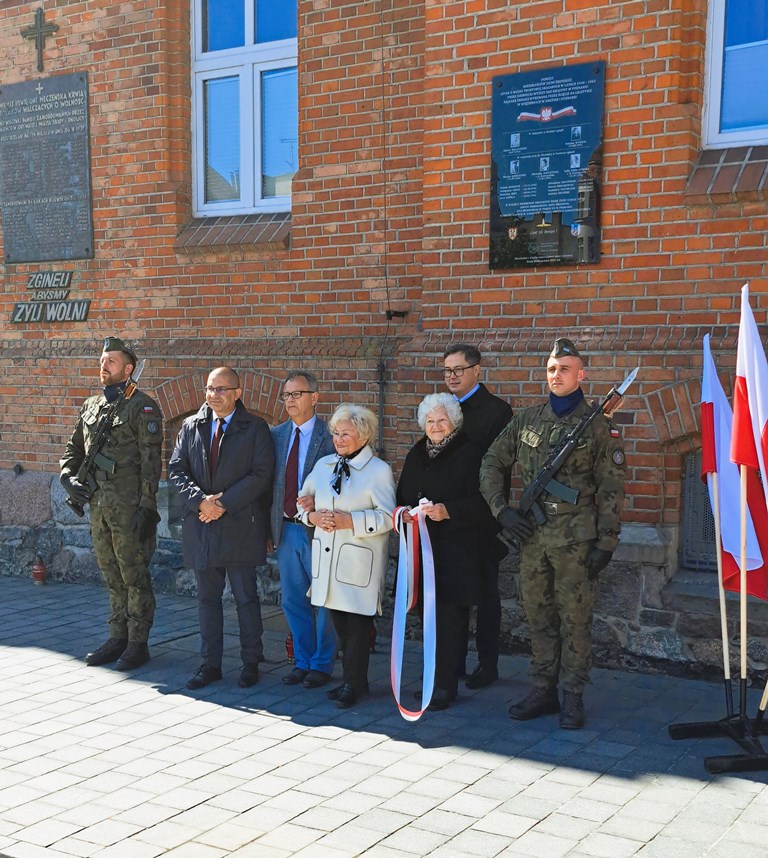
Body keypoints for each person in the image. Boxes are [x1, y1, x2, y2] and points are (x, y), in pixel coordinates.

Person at [479, 338, 626, 729]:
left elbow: (611, 490)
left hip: (576, 542)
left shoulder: (598, 428)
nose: (556, 375)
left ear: (582, 374)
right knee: (538, 616)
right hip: (531, 539)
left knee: (575, 619)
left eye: (564, 369)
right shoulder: (527, 420)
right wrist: (502, 511)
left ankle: (572, 696)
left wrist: (607, 542)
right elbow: (492, 462)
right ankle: (543, 689)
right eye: (551, 369)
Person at [168, 367, 275, 690]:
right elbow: (176, 469)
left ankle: (250, 662)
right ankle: (209, 663)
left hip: (240, 525)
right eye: (210, 389)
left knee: (245, 598)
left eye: (222, 389)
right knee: (207, 600)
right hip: (202, 526)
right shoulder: (191, 426)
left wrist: (223, 504)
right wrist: (201, 502)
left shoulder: (255, 428)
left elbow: (261, 475)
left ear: (238, 393)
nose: (214, 395)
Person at [60, 336, 163, 671]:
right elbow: (74, 450)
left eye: (112, 361)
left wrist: (148, 507)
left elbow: (151, 462)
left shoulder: (142, 406)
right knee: (110, 574)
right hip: (98, 507)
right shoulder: (92, 406)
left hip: (129, 507)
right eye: (102, 360)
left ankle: (138, 643)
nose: (104, 365)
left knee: (134, 575)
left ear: (128, 369)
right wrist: (67, 478)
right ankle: (117, 636)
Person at [396, 393, 495, 711]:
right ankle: (432, 679)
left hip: (456, 552)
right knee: (429, 618)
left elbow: (484, 502)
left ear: (453, 422)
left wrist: (447, 510)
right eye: (430, 421)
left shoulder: (471, 453)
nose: (435, 426)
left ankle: (445, 685)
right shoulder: (416, 453)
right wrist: (407, 513)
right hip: (423, 551)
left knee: (451, 619)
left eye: (441, 420)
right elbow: (403, 494)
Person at [296, 405, 395, 709]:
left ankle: (352, 683)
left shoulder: (378, 470)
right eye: (336, 433)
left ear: (363, 435)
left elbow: (389, 517)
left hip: (359, 564)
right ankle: (354, 680)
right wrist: (311, 516)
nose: (338, 439)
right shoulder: (324, 465)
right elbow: (302, 505)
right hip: (328, 562)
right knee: (339, 623)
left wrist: (349, 521)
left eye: (345, 433)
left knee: (358, 627)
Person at [443, 343, 512, 689]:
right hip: (447, 517)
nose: (452, 377)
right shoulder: (441, 409)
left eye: (458, 370)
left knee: (486, 595)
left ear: (477, 371)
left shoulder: (496, 411)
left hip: (481, 517)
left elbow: (500, 468)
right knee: (453, 595)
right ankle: (452, 664)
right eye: (447, 371)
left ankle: (487, 665)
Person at [270, 370, 336, 688]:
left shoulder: (332, 435)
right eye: (286, 395)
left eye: (297, 394)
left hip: (320, 532)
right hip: (286, 529)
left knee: (324, 598)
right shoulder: (277, 435)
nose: (291, 401)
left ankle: (322, 664)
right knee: (293, 600)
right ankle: (302, 660)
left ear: (315, 397)